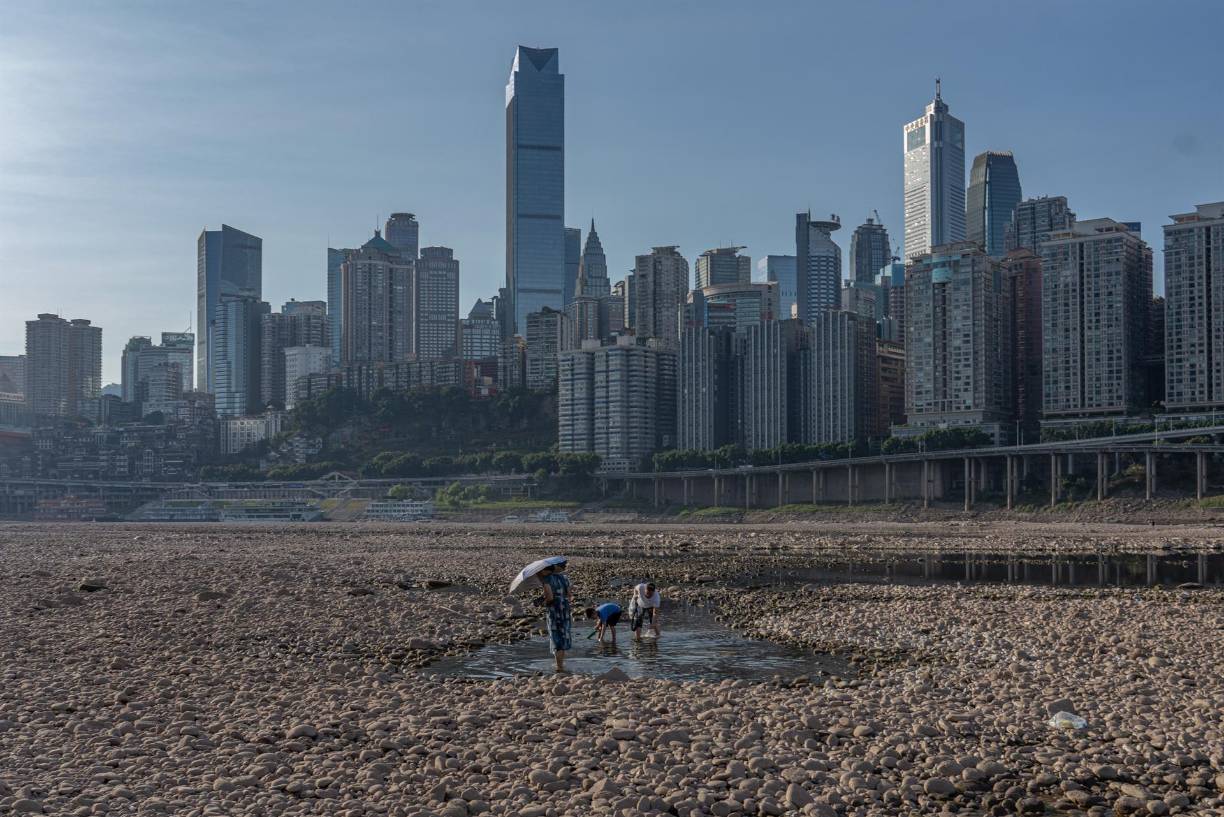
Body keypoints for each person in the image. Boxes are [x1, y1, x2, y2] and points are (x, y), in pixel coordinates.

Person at [539, 562, 572, 672]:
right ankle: (561, 664)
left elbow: (550, 598)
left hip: (554, 610)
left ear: (545, 570)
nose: (539, 573)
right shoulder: (564, 577)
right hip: (565, 609)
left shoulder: (546, 579)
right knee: (563, 635)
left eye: (540, 571)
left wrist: (543, 602)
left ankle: (559, 667)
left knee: (556, 636)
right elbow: (569, 595)